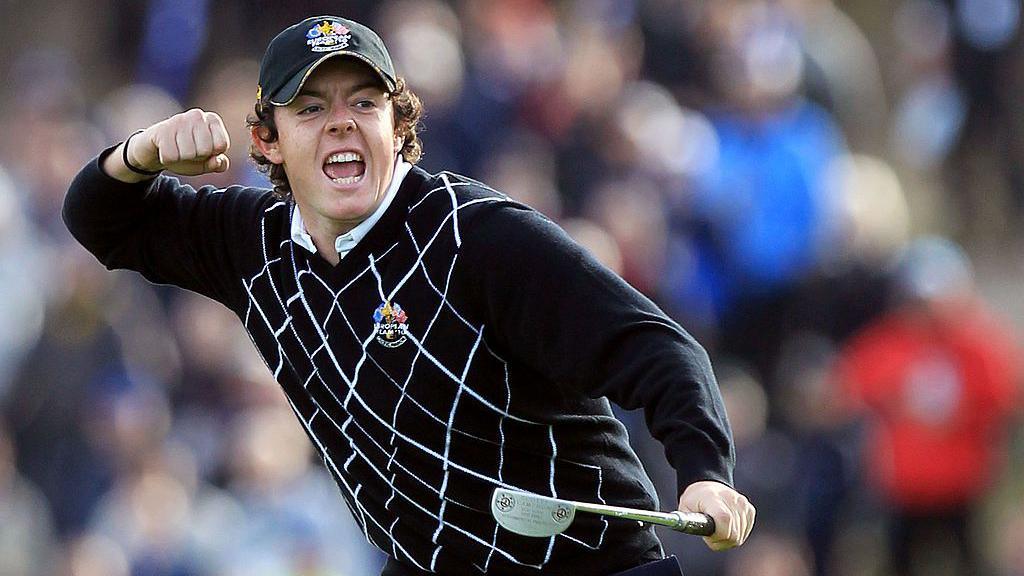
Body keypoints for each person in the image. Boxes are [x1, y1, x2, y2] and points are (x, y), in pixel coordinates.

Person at [63, 14, 754, 576]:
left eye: (364, 103)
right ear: (265, 142)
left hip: (592, 567)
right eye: (310, 107)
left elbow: (654, 347)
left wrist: (704, 471)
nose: (341, 123)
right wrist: (139, 155)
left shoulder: (476, 235)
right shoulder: (249, 241)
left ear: (399, 128)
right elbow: (99, 221)